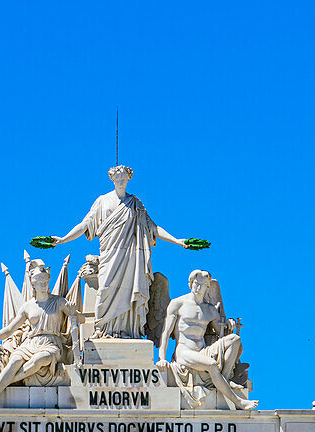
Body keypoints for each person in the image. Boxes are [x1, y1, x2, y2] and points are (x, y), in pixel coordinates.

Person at [50, 166, 188, 338]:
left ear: (129, 179)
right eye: (118, 179)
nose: (121, 182)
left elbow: (153, 227)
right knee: (105, 290)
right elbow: (85, 225)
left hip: (131, 258)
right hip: (110, 255)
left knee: (130, 293)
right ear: (112, 179)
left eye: (124, 179)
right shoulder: (102, 201)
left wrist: (177, 241)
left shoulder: (135, 204)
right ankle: (103, 330)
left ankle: (129, 332)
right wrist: (63, 239)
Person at [0, 259, 78, 407]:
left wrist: (74, 311)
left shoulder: (59, 302)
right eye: (39, 283)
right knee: (14, 361)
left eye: (45, 282)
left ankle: (7, 381)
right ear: (33, 285)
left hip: (51, 344)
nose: (43, 286)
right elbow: (10, 329)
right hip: (31, 343)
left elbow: (78, 318)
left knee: (39, 360)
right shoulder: (27, 306)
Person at [158, 270, 257, 410]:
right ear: (190, 284)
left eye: (203, 285)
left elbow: (221, 333)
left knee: (234, 339)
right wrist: (162, 358)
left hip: (202, 351)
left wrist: (229, 323)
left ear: (208, 287)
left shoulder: (210, 310)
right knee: (211, 364)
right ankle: (238, 401)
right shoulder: (178, 304)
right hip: (184, 352)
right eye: (196, 283)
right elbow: (166, 333)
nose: (198, 288)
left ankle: (225, 378)